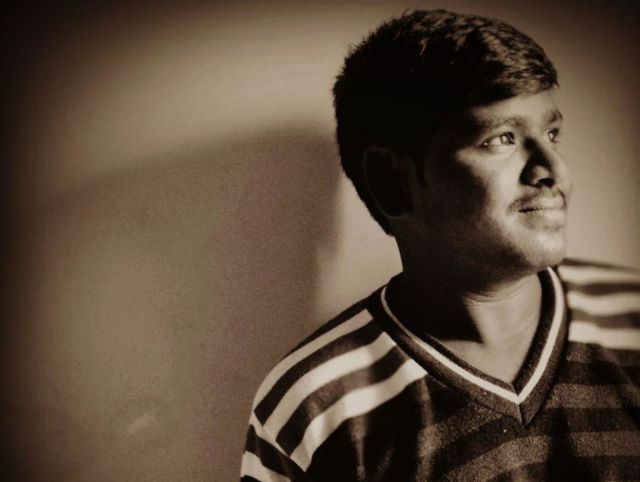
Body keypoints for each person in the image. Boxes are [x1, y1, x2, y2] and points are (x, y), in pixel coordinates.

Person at [240, 9, 640, 481]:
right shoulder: (313, 408)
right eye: (502, 139)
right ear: (391, 182)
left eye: (552, 134)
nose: (553, 169)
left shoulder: (631, 320)